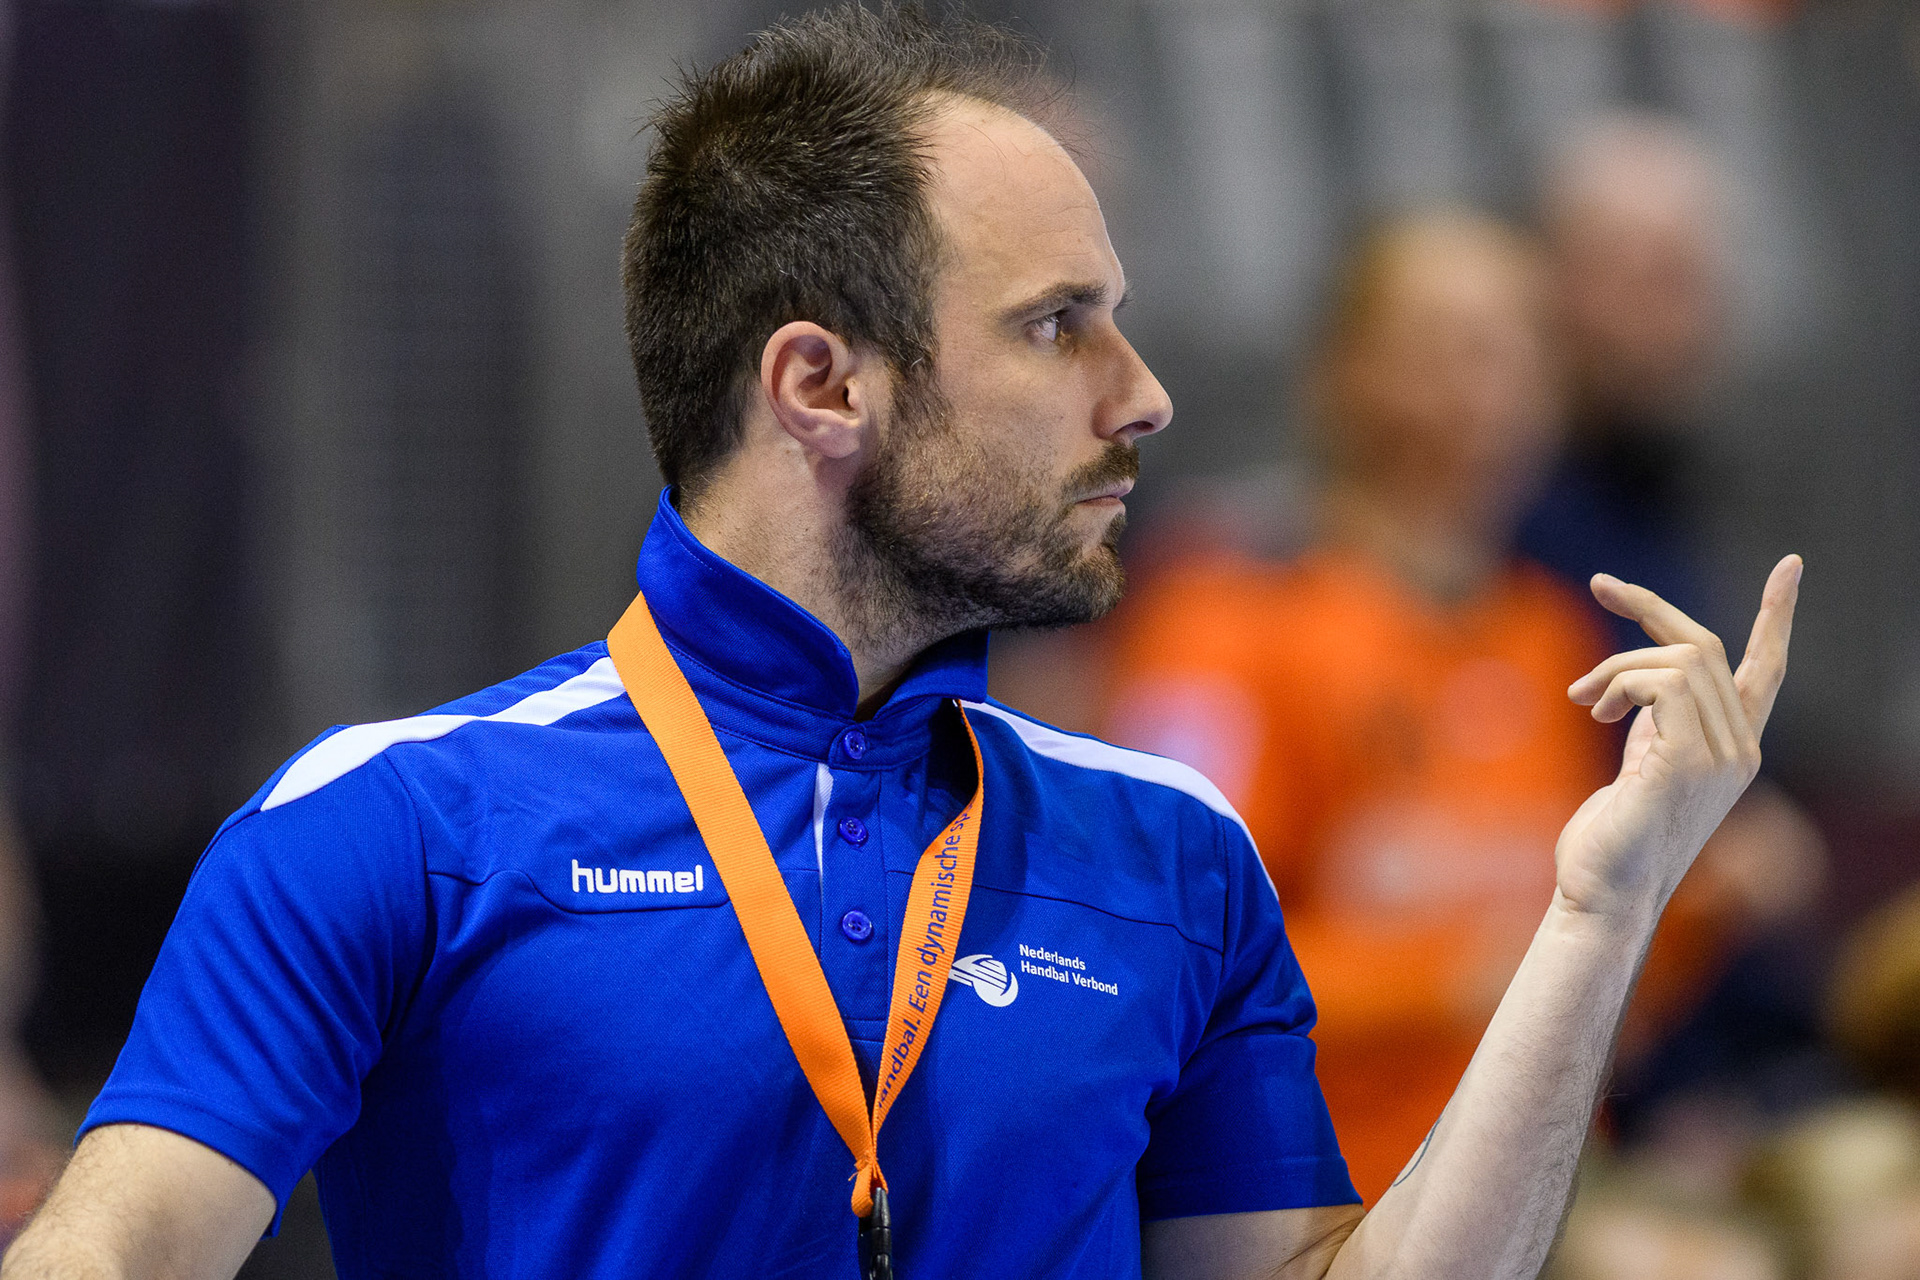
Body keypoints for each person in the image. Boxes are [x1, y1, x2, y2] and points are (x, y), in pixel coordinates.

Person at [2, 8, 1799, 1279]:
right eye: (1059, 326)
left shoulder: (1172, 858)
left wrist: (1600, 918)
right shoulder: (397, 824)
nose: (1144, 396)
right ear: (821, 384)